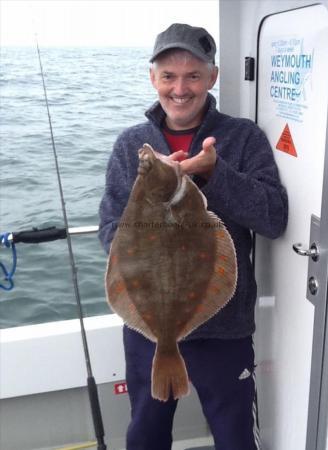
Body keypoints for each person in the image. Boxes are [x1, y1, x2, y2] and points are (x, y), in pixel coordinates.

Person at [99, 23, 288, 450]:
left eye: (192, 76)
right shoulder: (133, 146)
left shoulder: (242, 139)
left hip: (225, 329)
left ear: (212, 78)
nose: (179, 89)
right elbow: (111, 229)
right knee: (145, 434)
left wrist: (214, 173)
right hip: (150, 329)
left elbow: (273, 217)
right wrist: (149, 191)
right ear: (153, 78)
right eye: (168, 76)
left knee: (235, 436)